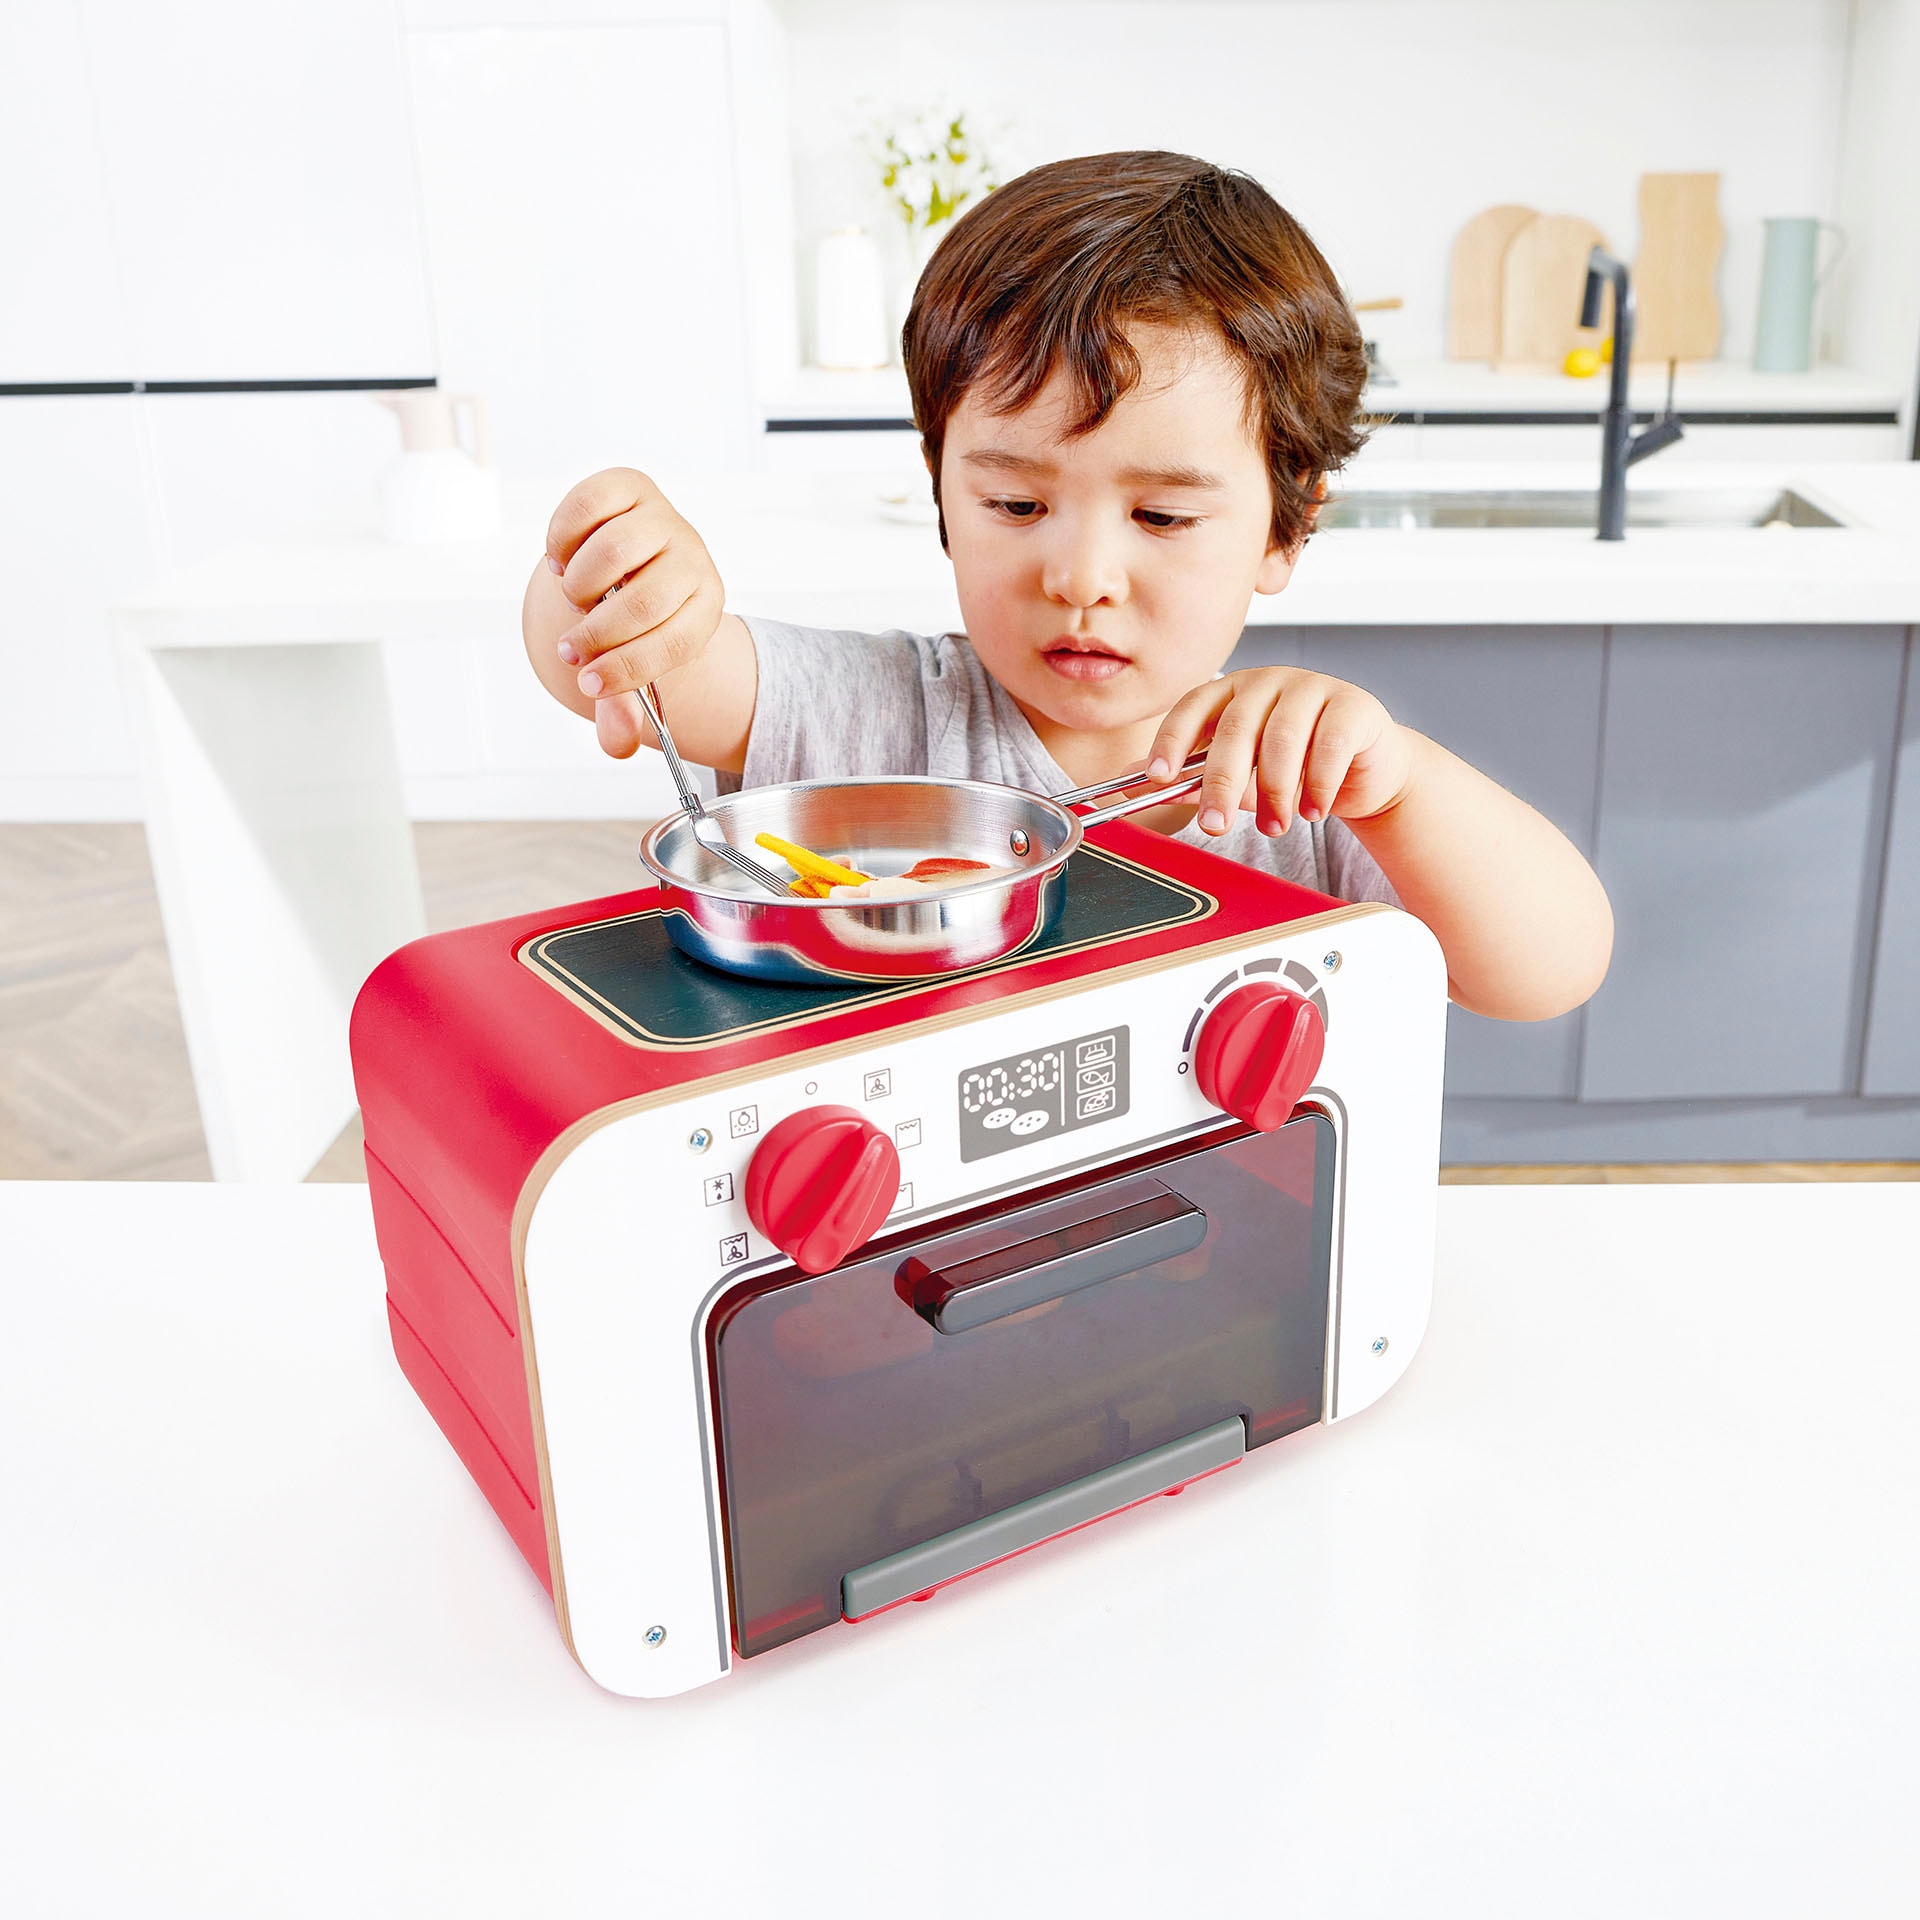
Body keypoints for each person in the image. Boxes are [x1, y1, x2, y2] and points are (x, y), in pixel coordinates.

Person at [521, 151, 1612, 1021]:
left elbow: (1548, 973)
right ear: (943, 496)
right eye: (1015, 505)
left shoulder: (1303, 786)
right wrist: (621, 579)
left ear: (1289, 526)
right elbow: (634, 675)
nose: (1081, 577)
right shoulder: (871, 716)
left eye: (1162, 517)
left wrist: (1403, 784)